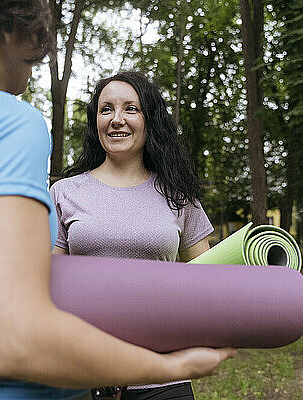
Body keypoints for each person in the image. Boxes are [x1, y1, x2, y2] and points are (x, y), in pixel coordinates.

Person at [0, 1, 235, 399]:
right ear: (12, 27)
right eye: (39, 40)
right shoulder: (5, 120)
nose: (37, 59)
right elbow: (14, 338)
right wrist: (169, 366)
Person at [50, 71, 215, 400]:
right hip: (83, 374)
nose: (117, 120)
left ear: (149, 119)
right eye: (106, 109)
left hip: (163, 376)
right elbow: (51, 283)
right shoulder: (64, 193)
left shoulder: (178, 195)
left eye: (130, 109)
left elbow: (207, 282)